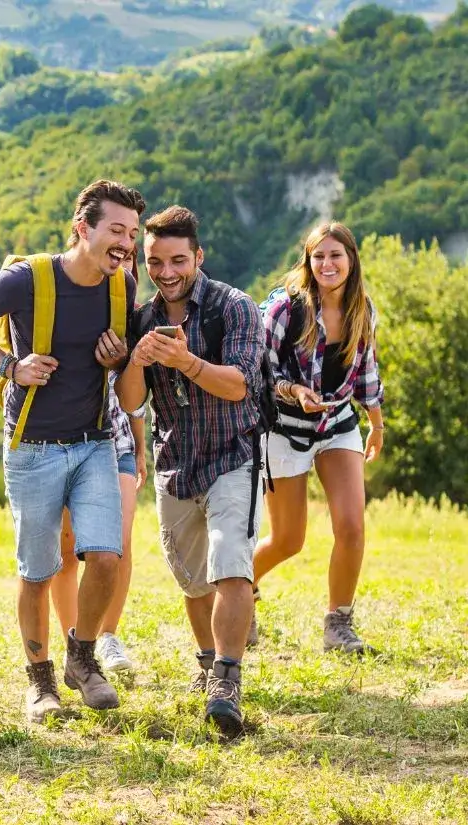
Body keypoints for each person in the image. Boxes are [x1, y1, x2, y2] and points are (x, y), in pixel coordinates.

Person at [0, 179, 142, 722]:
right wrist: (11, 365)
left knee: (106, 556)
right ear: (83, 227)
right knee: (38, 571)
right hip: (32, 448)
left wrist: (119, 359)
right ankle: (41, 684)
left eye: (132, 233)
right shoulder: (28, 277)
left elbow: (130, 382)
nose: (126, 244)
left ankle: (82, 658)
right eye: (115, 231)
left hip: (94, 443)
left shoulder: (123, 288)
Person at [116, 205, 264, 739]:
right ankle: (208, 663)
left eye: (178, 259)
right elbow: (132, 402)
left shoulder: (235, 308)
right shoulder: (141, 318)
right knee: (194, 580)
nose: (166, 271)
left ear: (198, 257)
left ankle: (227, 680)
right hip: (176, 462)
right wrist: (137, 359)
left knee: (231, 567)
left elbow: (241, 384)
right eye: (155, 261)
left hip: (234, 454)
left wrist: (186, 362)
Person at [252, 223, 384, 654]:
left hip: (337, 424)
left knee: (351, 526)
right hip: (285, 428)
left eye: (336, 255)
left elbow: (366, 374)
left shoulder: (362, 309)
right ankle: (239, 591)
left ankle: (338, 623)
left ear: (351, 259)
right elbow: (258, 372)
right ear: (308, 262)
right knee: (289, 539)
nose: (327, 264)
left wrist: (376, 425)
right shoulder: (285, 310)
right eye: (319, 256)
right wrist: (294, 392)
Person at [51, 253, 147, 675]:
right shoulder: (63, 300)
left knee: (116, 546)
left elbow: (137, 394)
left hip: (118, 440)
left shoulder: (135, 316)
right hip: (65, 440)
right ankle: (76, 639)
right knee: (67, 551)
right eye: (116, 254)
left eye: (130, 257)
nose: (122, 262)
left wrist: (141, 447)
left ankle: (105, 636)